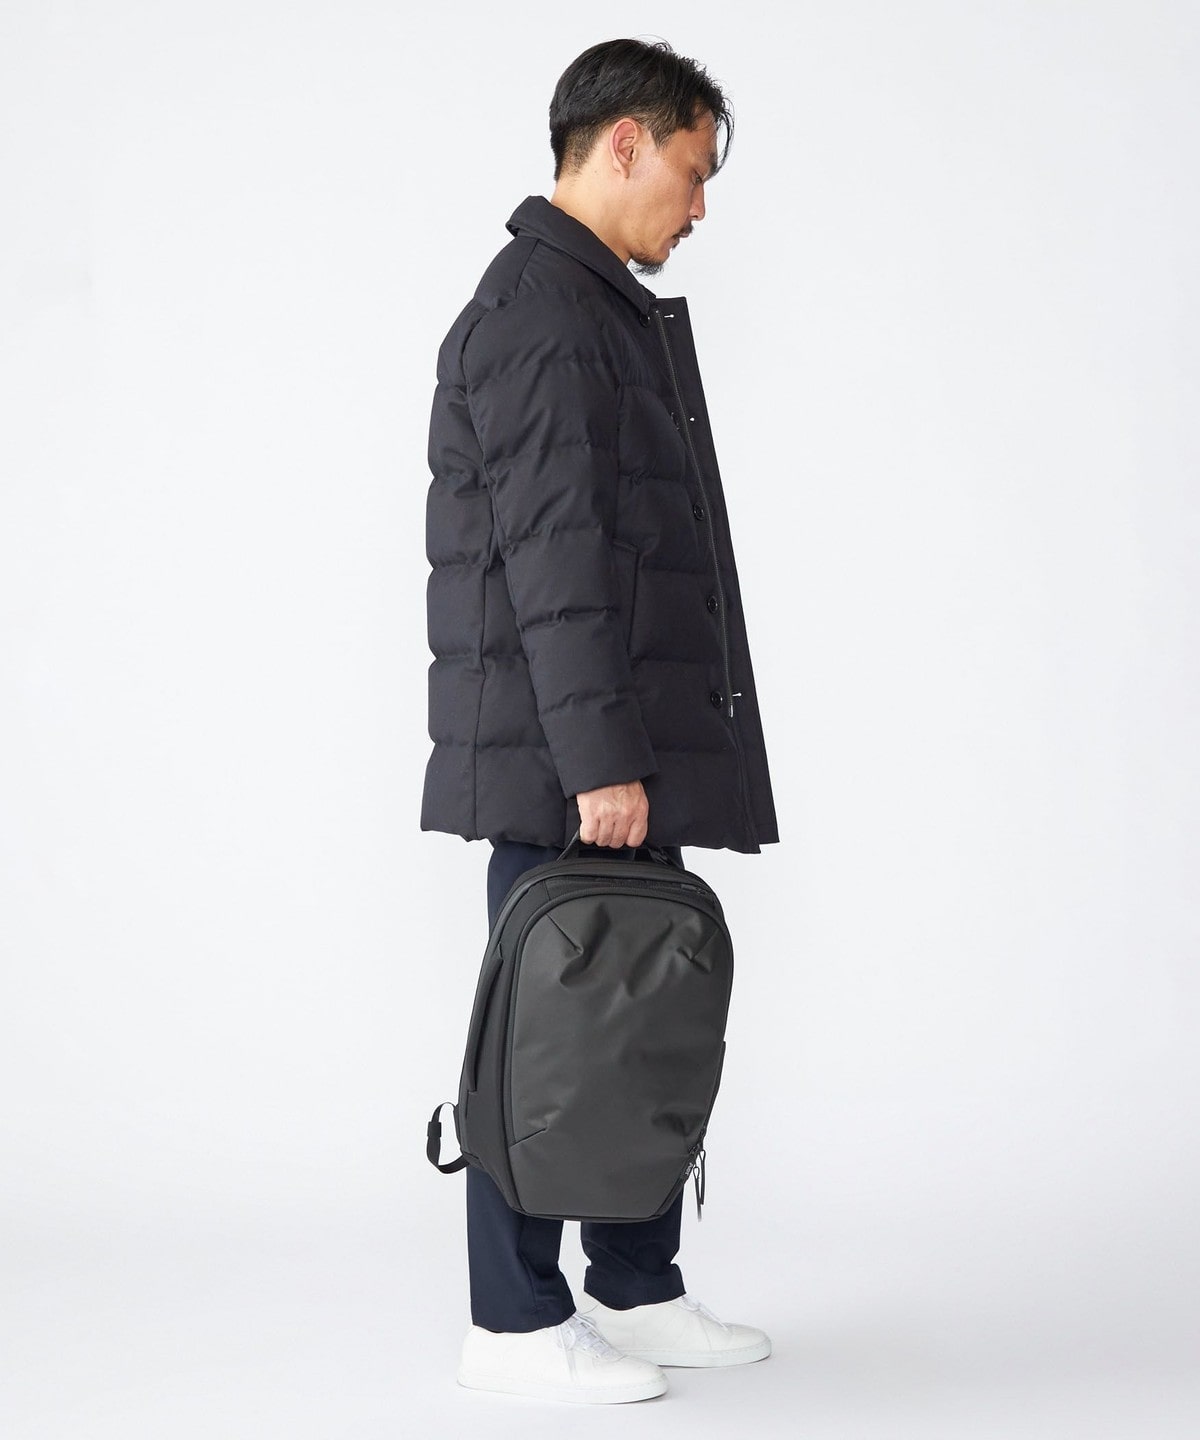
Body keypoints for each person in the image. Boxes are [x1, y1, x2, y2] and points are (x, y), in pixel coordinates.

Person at [421, 37, 780, 1403]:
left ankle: (634, 1285)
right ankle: (512, 1326)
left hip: (613, 753)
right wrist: (602, 764)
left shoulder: (596, 306)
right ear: (624, 142)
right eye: (692, 170)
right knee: (547, 1046)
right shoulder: (541, 315)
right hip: (569, 764)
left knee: (635, 1024)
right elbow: (556, 563)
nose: (701, 206)